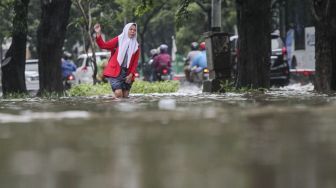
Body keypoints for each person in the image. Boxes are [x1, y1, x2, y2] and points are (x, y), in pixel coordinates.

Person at [94, 22, 140, 98]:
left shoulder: (136, 46)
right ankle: (113, 107)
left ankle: (114, 103)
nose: (133, 31)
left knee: (125, 96)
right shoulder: (119, 39)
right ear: (126, 30)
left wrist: (131, 74)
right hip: (116, 71)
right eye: (130, 29)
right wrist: (98, 33)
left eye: (134, 30)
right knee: (119, 94)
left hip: (128, 73)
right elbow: (103, 45)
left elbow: (135, 62)